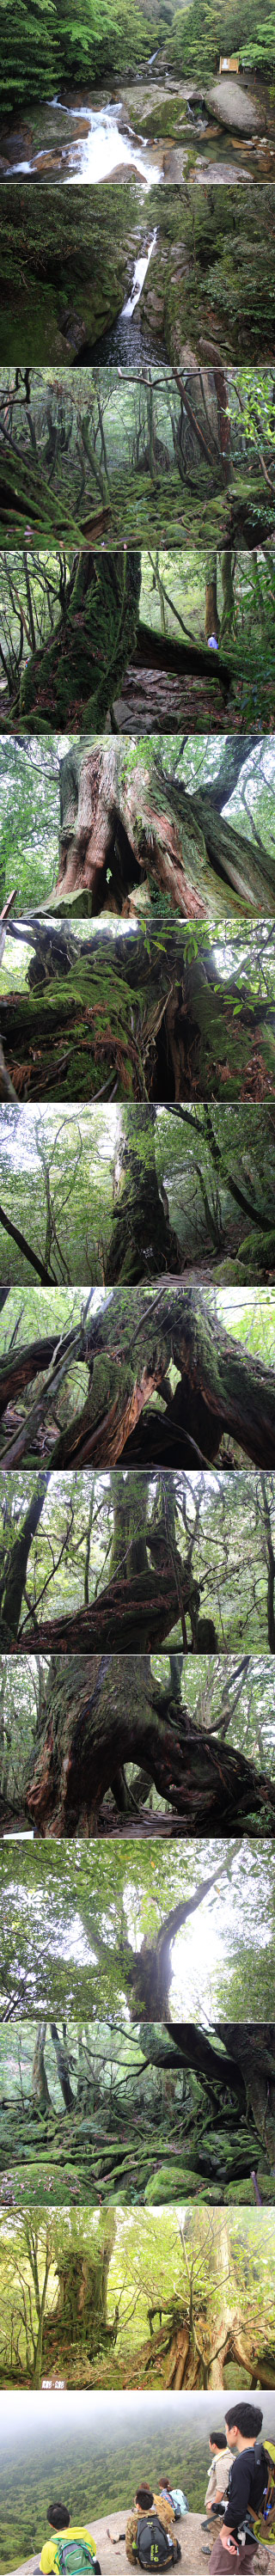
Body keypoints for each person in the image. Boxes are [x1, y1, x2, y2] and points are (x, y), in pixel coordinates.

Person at [208, 2402, 265, 2576]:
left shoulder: (242, 2463)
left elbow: (237, 2509)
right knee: (245, 2568)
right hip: (256, 2532)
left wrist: (224, 2534)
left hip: (237, 2534)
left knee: (218, 2571)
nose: (226, 2433)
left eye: (227, 2428)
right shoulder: (265, 2457)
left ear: (235, 2430)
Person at [40, 2503, 101, 2573]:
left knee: (37, 2572)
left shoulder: (49, 2546)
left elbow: (45, 2571)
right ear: (70, 2517)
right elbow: (93, 2552)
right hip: (89, 2571)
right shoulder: (83, 2533)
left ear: (51, 2525)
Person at [125, 2486, 175, 2567]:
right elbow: (172, 2539)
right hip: (165, 2562)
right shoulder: (160, 2518)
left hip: (145, 2563)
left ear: (138, 2506)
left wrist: (133, 2562)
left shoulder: (132, 2521)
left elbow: (129, 2544)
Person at [201, 2433, 231, 2548]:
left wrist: (213, 2504)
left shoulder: (221, 2463)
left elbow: (222, 2488)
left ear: (213, 2445)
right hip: (224, 2504)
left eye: (209, 2443)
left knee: (217, 2529)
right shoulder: (229, 2458)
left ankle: (215, 2549)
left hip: (219, 2504)